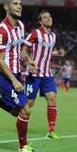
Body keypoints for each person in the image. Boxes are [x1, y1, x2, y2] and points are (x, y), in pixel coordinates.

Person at [0, 0, 40, 152]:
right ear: (7, 7)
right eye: (15, 4)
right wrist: (13, 80)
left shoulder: (20, 26)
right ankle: (23, 147)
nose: (19, 6)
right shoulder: (0, 30)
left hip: (17, 75)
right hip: (5, 76)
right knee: (25, 110)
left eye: (20, 4)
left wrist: (29, 60)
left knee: (16, 112)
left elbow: (20, 52)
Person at [22, 10, 65, 139]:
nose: (48, 19)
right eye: (45, 18)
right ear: (40, 21)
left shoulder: (53, 36)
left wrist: (57, 54)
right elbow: (23, 49)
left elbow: (47, 51)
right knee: (29, 104)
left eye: (49, 17)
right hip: (33, 75)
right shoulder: (35, 34)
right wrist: (29, 61)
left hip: (47, 74)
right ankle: (21, 123)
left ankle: (51, 131)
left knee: (52, 98)